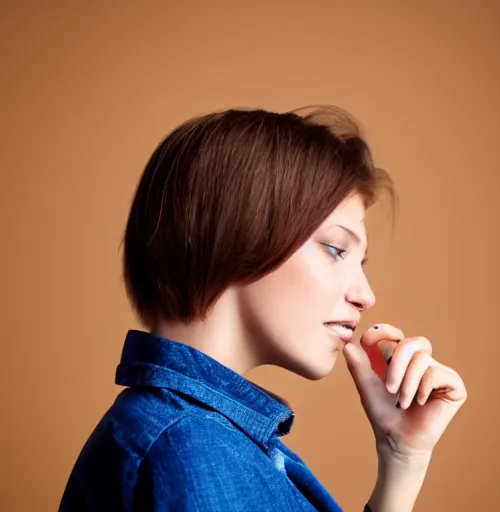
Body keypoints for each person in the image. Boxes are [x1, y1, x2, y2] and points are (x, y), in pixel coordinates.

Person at [59, 105, 467, 511]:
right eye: (335, 249)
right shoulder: (195, 450)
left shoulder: (205, 439)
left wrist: (403, 459)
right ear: (238, 231)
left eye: (358, 263)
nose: (366, 295)